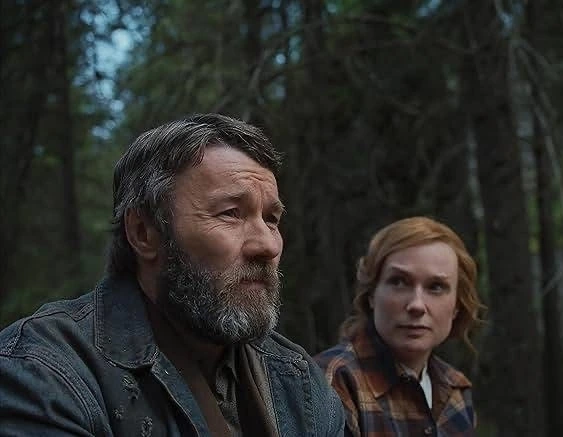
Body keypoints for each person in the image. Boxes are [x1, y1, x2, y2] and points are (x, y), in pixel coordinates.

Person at [0, 113, 344, 436]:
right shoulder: (47, 371)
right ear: (144, 233)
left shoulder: (298, 382)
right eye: (230, 213)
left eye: (271, 219)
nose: (267, 245)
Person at [314, 217, 483, 436]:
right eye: (399, 282)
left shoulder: (455, 390)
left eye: (436, 287)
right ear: (372, 294)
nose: (417, 305)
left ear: (457, 306)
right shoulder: (332, 380)